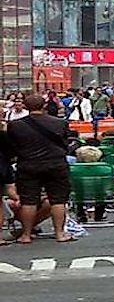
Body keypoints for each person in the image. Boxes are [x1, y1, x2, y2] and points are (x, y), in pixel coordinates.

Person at [1, 95, 74, 243]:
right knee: (58, 200)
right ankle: (60, 233)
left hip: (28, 165)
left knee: (29, 201)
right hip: (55, 164)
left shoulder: (15, 125)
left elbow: (12, 147)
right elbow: (66, 144)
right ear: (44, 106)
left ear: (26, 107)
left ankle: (26, 235)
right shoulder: (60, 123)